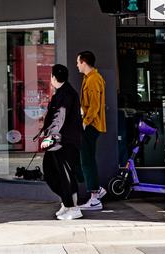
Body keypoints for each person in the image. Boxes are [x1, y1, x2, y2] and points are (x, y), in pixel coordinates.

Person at [39, 65, 83, 220]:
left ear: (53, 77)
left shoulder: (66, 94)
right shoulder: (63, 92)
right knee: (50, 172)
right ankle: (66, 202)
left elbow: (59, 118)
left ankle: (74, 208)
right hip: (58, 142)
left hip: (64, 142)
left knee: (66, 174)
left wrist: (50, 137)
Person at [76, 50, 107, 210]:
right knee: (87, 160)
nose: (77, 65)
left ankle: (95, 198)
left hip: (91, 125)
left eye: (78, 62)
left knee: (87, 161)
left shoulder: (93, 79)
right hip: (91, 124)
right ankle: (97, 190)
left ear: (84, 62)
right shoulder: (89, 78)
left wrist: (85, 122)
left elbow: (94, 106)